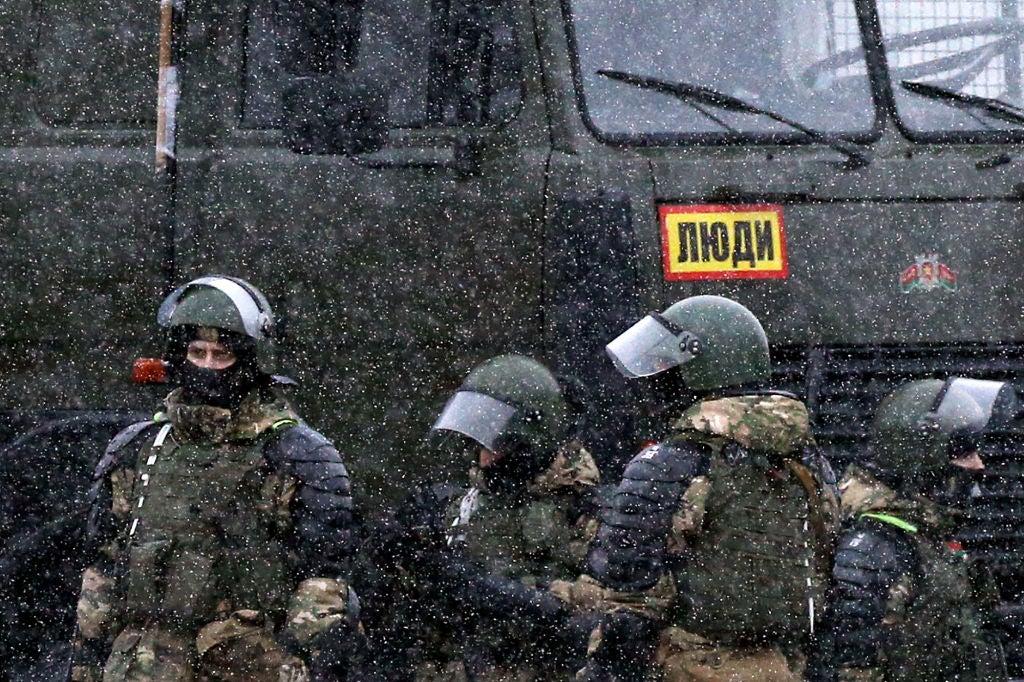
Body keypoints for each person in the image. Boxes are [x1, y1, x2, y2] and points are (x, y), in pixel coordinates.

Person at [71, 275, 358, 681]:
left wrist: (295, 656)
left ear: (250, 360)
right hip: (142, 665)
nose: (206, 365)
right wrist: (87, 663)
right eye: (196, 351)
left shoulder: (298, 454)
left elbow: (324, 583)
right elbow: (101, 572)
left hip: (245, 664)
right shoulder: (138, 446)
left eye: (221, 354)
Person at [565, 295, 838, 682]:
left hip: (683, 664)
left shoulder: (670, 462)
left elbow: (626, 597)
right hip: (780, 667)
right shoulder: (809, 462)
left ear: (702, 369)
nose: (658, 378)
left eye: (666, 366)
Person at [358, 354, 602, 681]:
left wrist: (480, 584)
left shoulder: (586, 511)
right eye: (481, 443)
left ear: (531, 445)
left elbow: (590, 615)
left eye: (498, 446)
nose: (485, 460)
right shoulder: (461, 503)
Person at [810, 378, 1011, 681]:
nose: (978, 465)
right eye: (965, 452)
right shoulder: (875, 549)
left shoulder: (920, 536)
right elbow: (850, 665)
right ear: (924, 457)